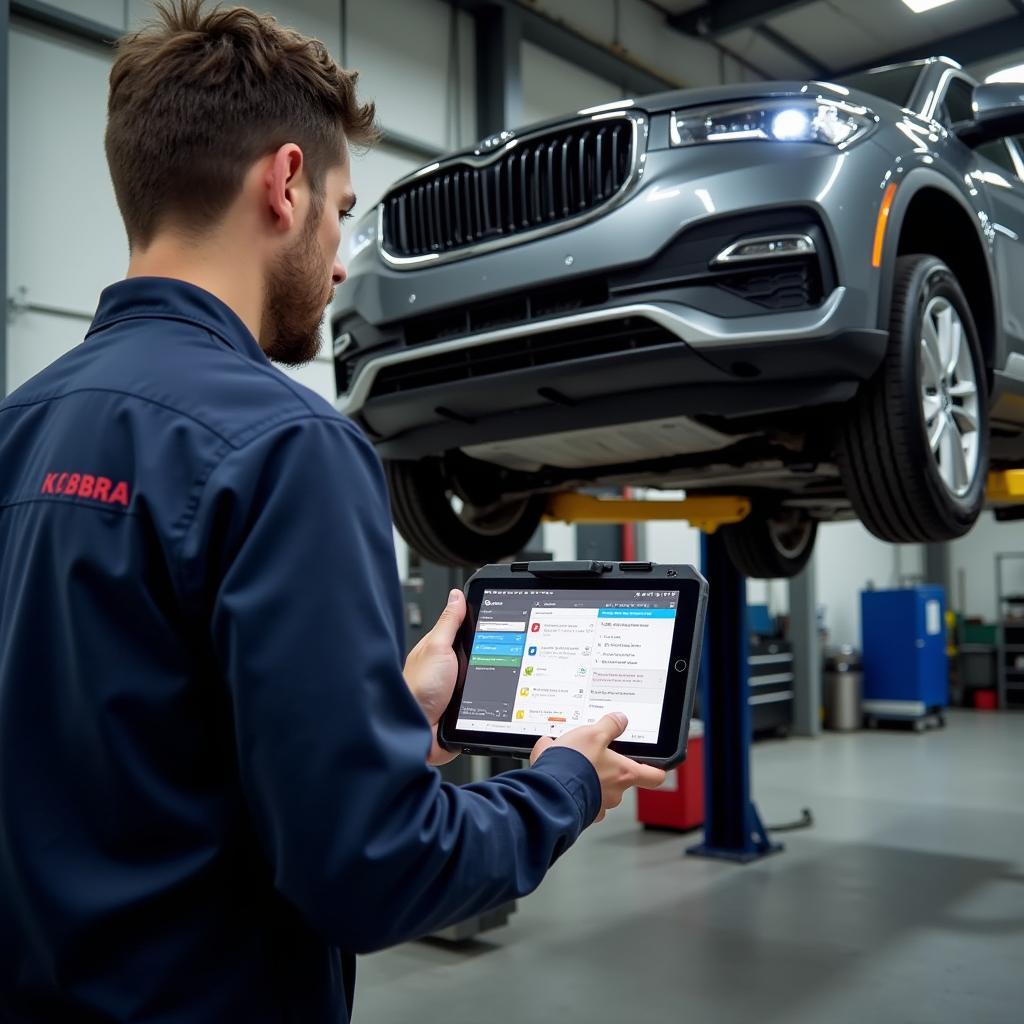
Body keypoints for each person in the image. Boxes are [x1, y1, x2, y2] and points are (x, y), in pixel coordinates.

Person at [0, 2, 666, 1021]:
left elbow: (136, 748)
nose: (345, 259)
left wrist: (389, 718)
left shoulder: (21, 424)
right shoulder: (290, 448)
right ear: (285, 183)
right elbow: (375, 868)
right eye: (344, 210)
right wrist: (562, 784)